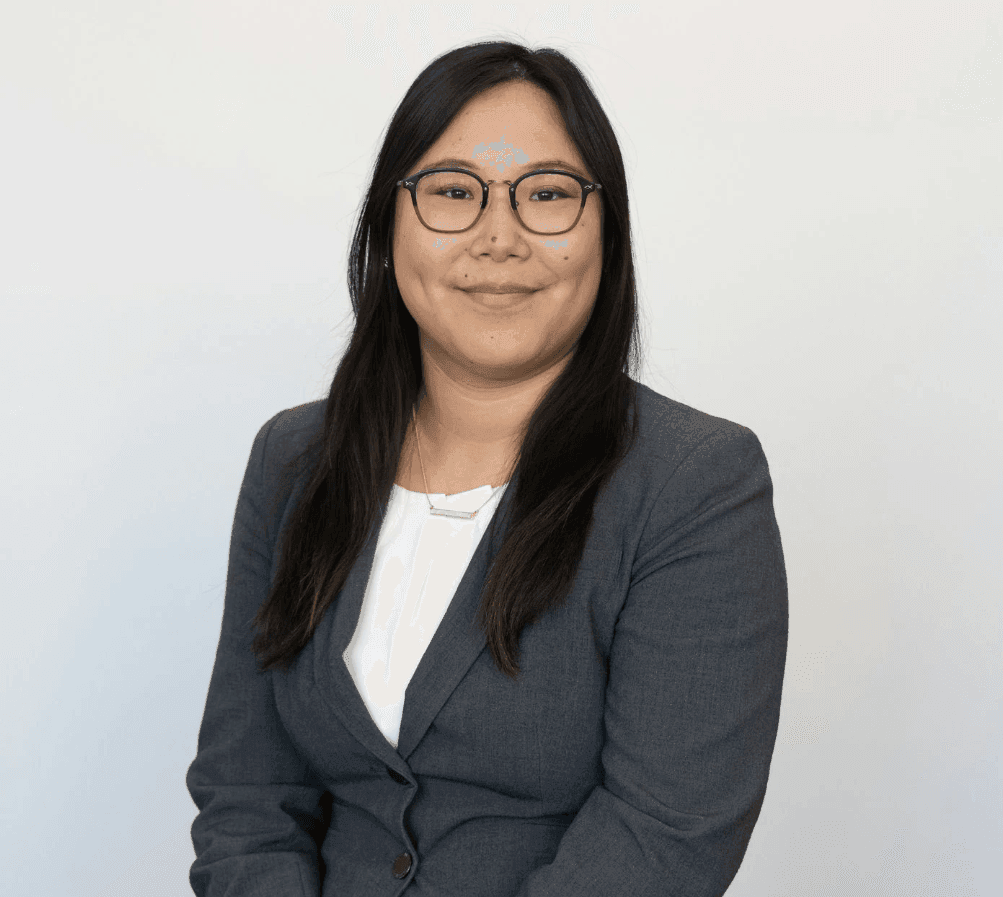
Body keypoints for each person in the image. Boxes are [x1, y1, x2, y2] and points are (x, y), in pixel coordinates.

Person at [186, 40, 788, 897]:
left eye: (546, 194)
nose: (497, 237)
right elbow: (246, 796)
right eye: (451, 193)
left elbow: (663, 841)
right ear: (388, 228)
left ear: (605, 233)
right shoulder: (294, 460)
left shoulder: (695, 484)